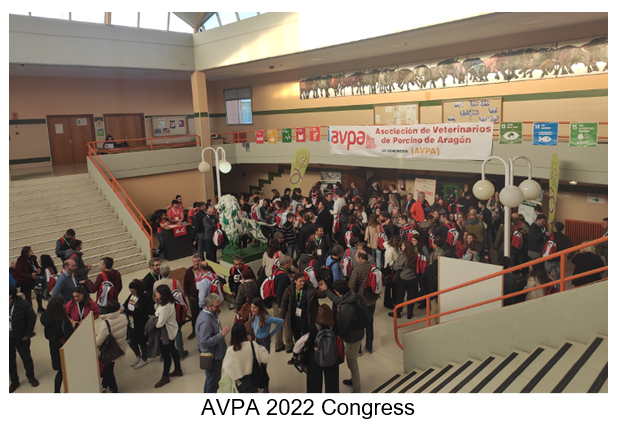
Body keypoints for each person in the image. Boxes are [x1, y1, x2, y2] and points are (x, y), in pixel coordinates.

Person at [318, 279, 364, 393]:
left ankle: (357, 389)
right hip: (357, 333)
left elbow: (342, 326)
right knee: (352, 361)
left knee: (352, 363)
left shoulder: (345, 308)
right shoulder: (350, 295)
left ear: (338, 292)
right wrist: (326, 290)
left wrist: (334, 334)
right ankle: (353, 380)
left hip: (352, 338)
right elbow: (338, 300)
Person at [222, 322, 270, 393]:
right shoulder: (252, 345)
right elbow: (266, 359)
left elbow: (226, 368)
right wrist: (262, 348)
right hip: (253, 378)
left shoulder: (230, 350)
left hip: (240, 382)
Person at [196, 293, 230, 393]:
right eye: (217, 306)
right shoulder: (206, 321)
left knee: (211, 381)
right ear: (208, 306)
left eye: (220, 305)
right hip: (212, 357)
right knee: (212, 384)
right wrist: (221, 334)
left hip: (216, 354)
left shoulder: (212, 314)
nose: (219, 308)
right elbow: (204, 343)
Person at [247, 297, 282, 393]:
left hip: (264, 343)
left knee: (263, 367)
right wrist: (249, 334)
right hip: (255, 342)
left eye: (255, 307)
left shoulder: (266, 318)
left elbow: (280, 321)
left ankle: (266, 389)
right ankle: (256, 385)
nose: (252, 309)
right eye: (251, 307)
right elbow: (250, 325)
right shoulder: (252, 315)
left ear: (260, 308)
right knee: (254, 364)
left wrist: (272, 334)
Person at [40, 295, 74, 392]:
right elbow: (71, 335)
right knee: (66, 370)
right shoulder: (63, 320)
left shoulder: (48, 320)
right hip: (66, 349)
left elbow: (47, 335)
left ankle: (57, 392)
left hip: (54, 348)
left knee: (60, 370)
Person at [280, 272, 327, 342]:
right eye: (300, 281)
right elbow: (284, 302)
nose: (302, 283)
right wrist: (282, 317)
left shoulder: (310, 290)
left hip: (305, 320)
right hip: (294, 319)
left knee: (307, 339)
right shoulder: (290, 289)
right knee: (297, 339)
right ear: (295, 281)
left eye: (303, 281)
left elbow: (321, 295)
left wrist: (325, 289)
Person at [9, 285, 39, 393]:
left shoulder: (23, 304)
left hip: (21, 337)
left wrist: (28, 334)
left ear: (10, 296)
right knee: (9, 360)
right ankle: (14, 380)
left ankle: (31, 376)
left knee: (26, 358)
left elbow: (32, 318)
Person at [305, 303, 339, 393]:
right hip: (331, 356)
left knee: (314, 383)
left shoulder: (314, 328)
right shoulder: (334, 326)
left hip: (316, 358)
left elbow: (308, 344)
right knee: (332, 382)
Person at [153, 285, 183, 388]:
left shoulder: (165, 308)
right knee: (173, 350)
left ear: (162, 294)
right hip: (172, 330)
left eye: (157, 293)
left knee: (166, 355)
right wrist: (157, 304)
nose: (156, 294)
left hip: (166, 334)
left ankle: (165, 376)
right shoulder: (169, 303)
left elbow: (160, 323)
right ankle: (178, 369)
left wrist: (153, 324)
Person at [348, 251, 377, 353]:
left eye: (356, 257)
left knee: (359, 325)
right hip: (372, 301)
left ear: (360, 258)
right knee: (370, 323)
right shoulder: (374, 268)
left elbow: (351, 287)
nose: (355, 259)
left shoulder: (357, 269)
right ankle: (369, 346)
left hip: (360, 302)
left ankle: (359, 349)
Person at [96, 299, 127, 393]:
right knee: (110, 367)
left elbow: (98, 341)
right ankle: (104, 385)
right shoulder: (123, 317)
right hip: (119, 348)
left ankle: (114, 389)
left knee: (108, 370)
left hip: (109, 350)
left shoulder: (105, 323)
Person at [390, 241, 425, 319]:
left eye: (403, 246)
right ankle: (410, 313)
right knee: (411, 297)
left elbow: (396, 267)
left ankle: (398, 312)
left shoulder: (403, 256)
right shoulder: (416, 255)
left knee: (400, 297)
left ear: (406, 248)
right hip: (414, 279)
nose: (401, 247)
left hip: (403, 279)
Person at [124, 279, 153, 369]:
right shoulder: (131, 296)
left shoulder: (143, 298)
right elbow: (125, 304)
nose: (131, 293)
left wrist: (125, 311)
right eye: (130, 291)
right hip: (131, 323)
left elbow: (139, 313)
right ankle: (138, 356)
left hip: (140, 324)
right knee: (130, 341)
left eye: (133, 291)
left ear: (137, 289)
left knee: (142, 342)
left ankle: (144, 359)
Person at [14, 246, 45, 312]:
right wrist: (30, 275)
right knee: (28, 297)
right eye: (30, 251)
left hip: (34, 279)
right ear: (26, 252)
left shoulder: (33, 258)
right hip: (25, 281)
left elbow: (36, 266)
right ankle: (30, 311)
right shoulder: (20, 261)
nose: (32, 251)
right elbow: (18, 273)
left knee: (39, 293)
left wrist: (38, 269)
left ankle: (40, 307)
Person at [183, 255, 202, 340]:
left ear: (201, 261)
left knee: (206, 315)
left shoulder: (206, 268)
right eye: (195, 261)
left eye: (198, 261)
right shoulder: (189, 271)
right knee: (194, 316)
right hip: (194, 298)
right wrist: (189, 296)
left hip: (205, 297)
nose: (196, 263)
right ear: (192, 262)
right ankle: (194, 331)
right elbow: (185, 284)